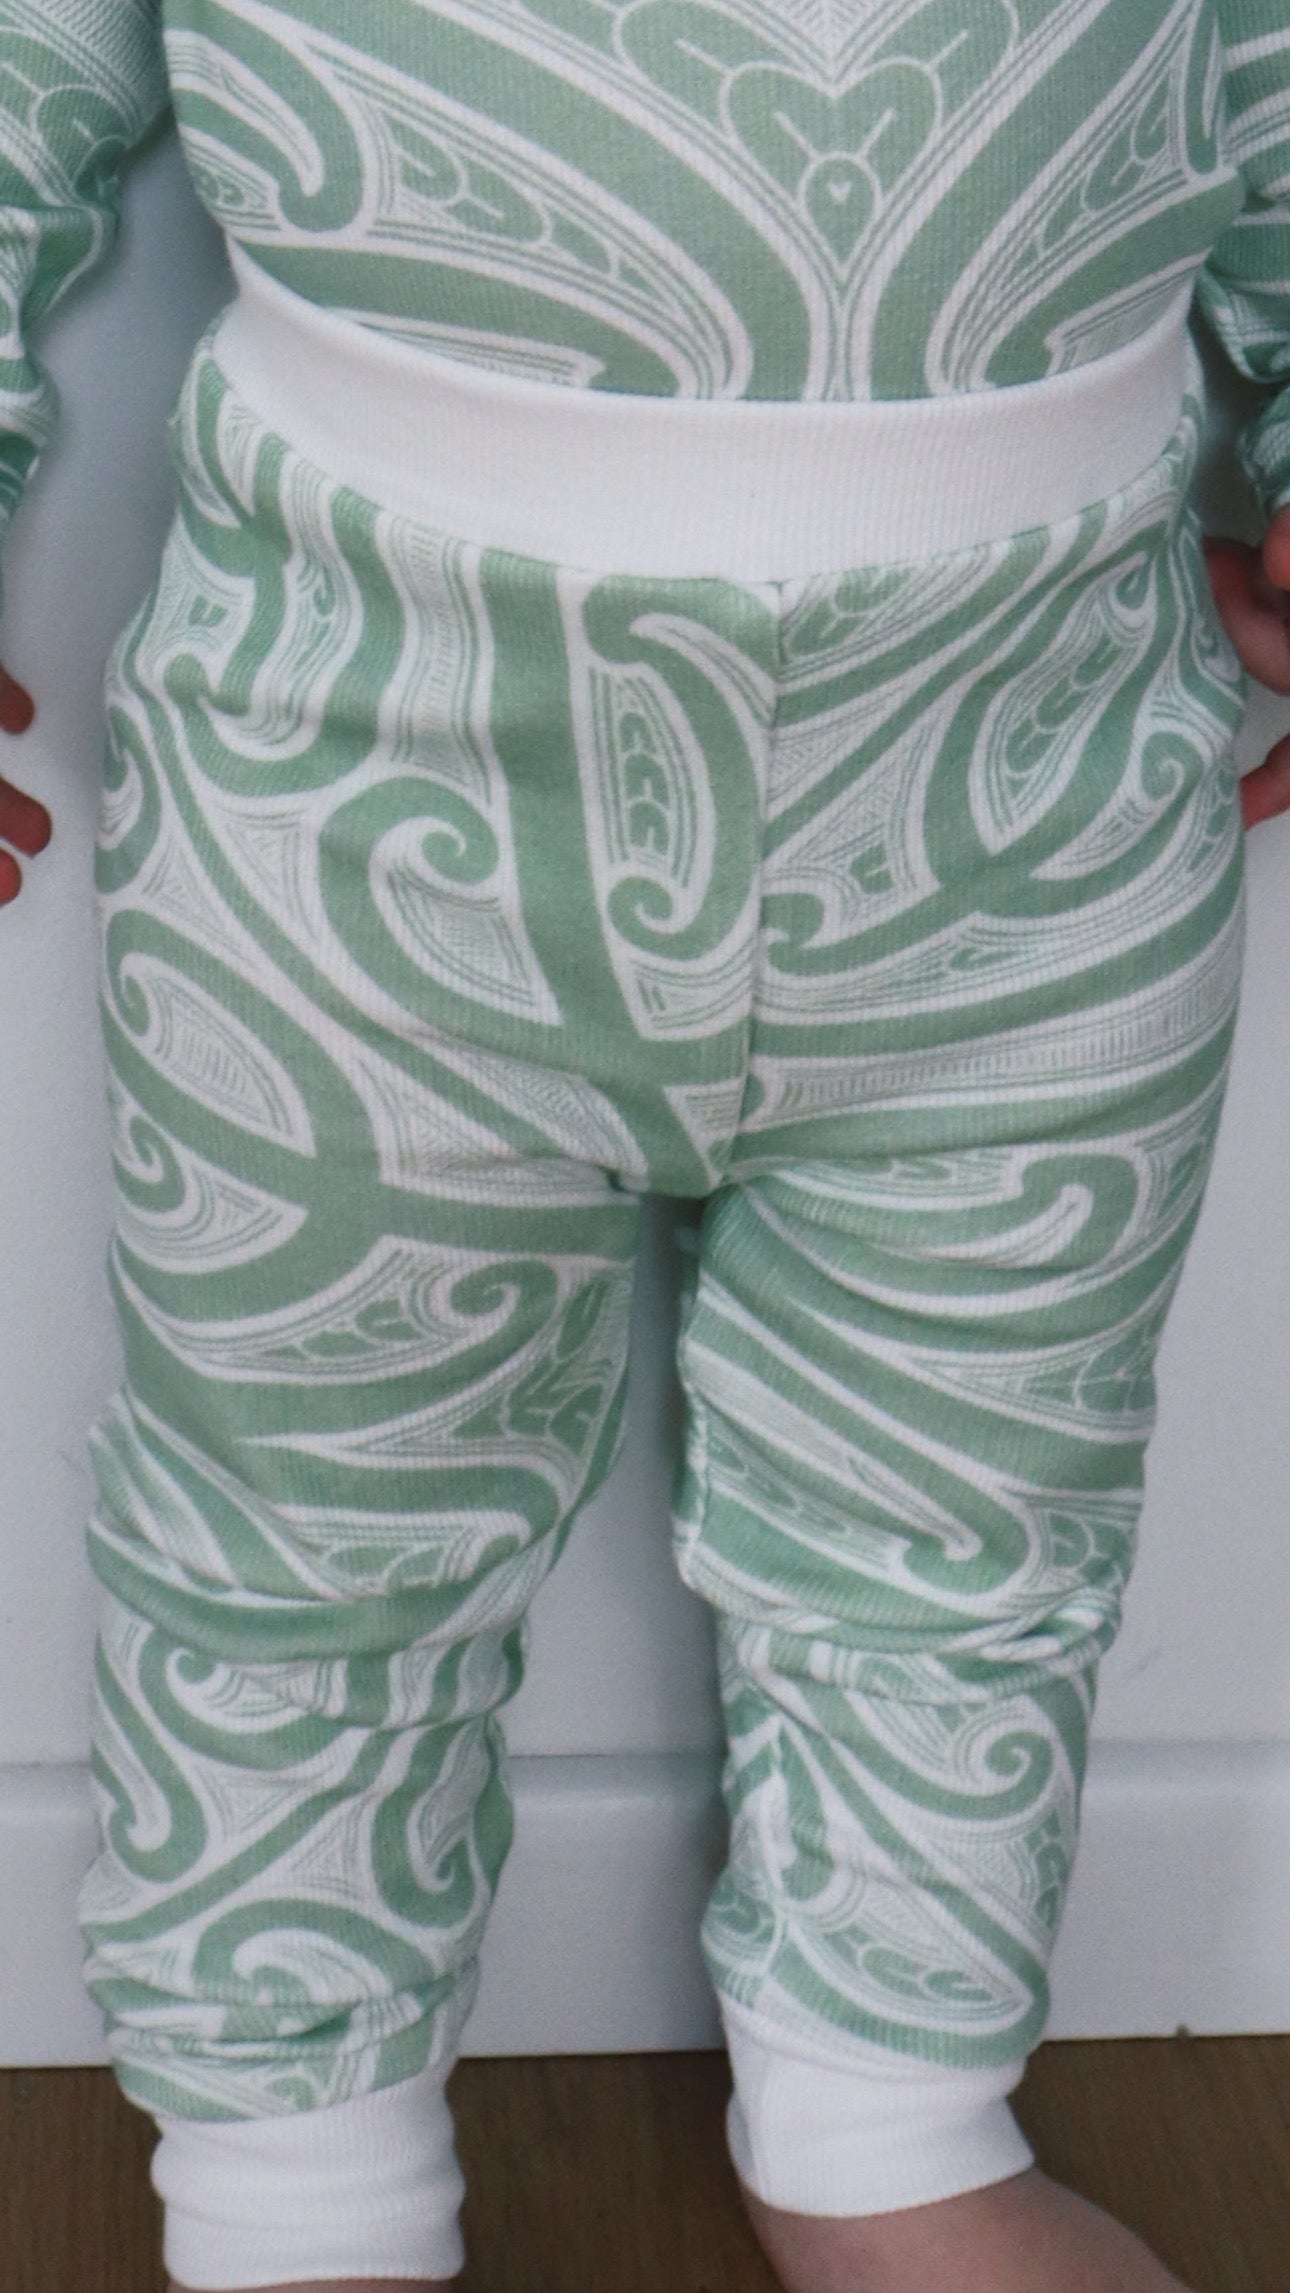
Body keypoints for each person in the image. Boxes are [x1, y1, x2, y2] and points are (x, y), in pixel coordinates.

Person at [1, 4, 1290, 2290]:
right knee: (306, 1523)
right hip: (360, 774)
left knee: (966, 1508)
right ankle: (297, 2183)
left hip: (1033, 788)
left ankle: (890, 2115)